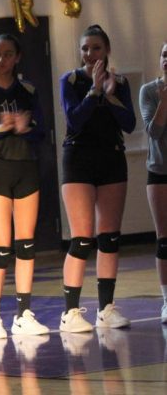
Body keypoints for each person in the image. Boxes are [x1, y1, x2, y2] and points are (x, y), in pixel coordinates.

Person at [0, 35, 50, 340]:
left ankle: (23, 314)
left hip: (25, 167)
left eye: (7, 54)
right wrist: (2, 127)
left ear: (17, 58)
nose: (1, 59)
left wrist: (25, 128)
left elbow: (40, 132)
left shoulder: (28, 90)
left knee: (25, 244)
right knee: (1, 247)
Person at [59, 25, 136, 333]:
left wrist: (110, 94)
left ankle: (106, 308)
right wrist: (93, 91)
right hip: (79, 158)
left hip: (111, 157)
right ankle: (71, 313)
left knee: (110, 237)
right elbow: (74, 119)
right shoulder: (72, 80)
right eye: (85, 49)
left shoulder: (121, 83)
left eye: (96, 49)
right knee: (82, 237)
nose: (90, 54)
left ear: (107, 51)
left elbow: (129, 123)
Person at [140, 41, 167, 322]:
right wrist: (164, 102)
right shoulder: (149, 91)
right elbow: (153, 132)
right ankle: (166, 300)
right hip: (159, 171)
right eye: (164, 54)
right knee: (164, 239)